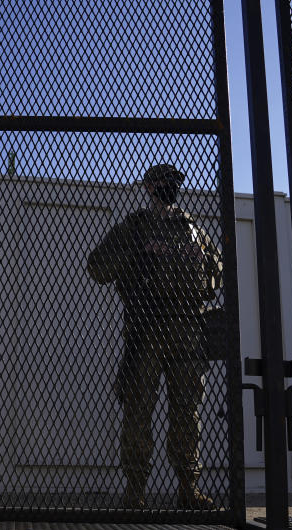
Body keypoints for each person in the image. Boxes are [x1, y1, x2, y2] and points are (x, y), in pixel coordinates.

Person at [87, 164, 222, 509]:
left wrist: (204, 271)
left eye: (174, 181)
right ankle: (135, 491)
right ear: (147, 187)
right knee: (138, 410)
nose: (168, 187)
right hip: (145, 329)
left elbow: (217, 274)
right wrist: (135, 254)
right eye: (161, 182)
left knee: (187, 411)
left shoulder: (194, 230)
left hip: (188, 329)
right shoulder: (135, 226)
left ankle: (188, 489)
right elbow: (97, 267)